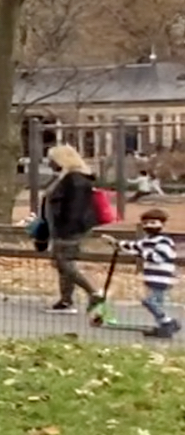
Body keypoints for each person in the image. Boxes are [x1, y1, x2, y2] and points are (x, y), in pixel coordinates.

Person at [43, 143, 104, 313]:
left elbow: (74, 208)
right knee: (63, 263)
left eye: (52, 160)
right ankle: (65, 300)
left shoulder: (75, 180)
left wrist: (65, 228)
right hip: (63, 226)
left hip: (68, 227)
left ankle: (93, 292)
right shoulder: (68, 177)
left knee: (63, 262)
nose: (50, 164)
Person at [113, 207, 179, 338]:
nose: (149, 226)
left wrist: (141, 253)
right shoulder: (147, 241)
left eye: (153, 223)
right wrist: (118, 244)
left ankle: (168, 322)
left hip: (162, 277)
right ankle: (163, 326)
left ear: (162, 224)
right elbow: (134, 246)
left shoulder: (164, 241)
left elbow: (158, 257)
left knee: (150, 301)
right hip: (151, 277)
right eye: (146, 223)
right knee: (156, 303)